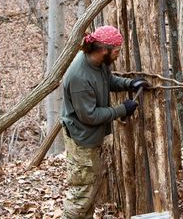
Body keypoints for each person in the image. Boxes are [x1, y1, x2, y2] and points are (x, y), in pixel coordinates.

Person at [61, 25, 150, 219]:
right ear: (103, 49)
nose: (118, 55)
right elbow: (89, 116)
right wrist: (121, 110)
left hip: (89, 139)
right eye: (116, 51)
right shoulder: (79, 76)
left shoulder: (99, 63)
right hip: (81, 141)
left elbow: (107, 80)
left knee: (89, 194)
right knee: (81, 196)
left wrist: (129, 84)